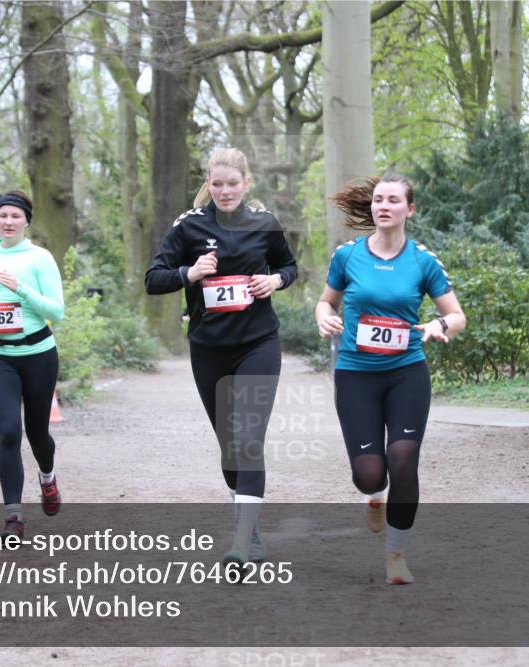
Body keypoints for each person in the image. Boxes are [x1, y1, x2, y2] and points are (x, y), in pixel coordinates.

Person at [145, 147, 298, 566]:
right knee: (231, 446)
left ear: (246, 184)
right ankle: (247, 520)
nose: (225, 191)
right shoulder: (188, 227)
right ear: (208, 184)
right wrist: (189, 274)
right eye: (218, 184)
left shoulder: (265, 224)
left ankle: (244, 540)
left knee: (248, 440)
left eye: (233, 184)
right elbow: (153, 279)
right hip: (209, 349)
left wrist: (275, 281)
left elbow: (289, 266)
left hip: (258, 344)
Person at [315, 175, 466, 585]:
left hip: (406, 373)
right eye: (378, 199)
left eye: (393, 200)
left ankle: (396, 554)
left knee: (402, 459)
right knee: (369, 473)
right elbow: (326, 301)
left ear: (409, 210)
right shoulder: (347, 257)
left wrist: (439, 326)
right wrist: (324, 317)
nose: (383, 205)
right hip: (355, 375)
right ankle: (374, 495)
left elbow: (457, 315)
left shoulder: (423, 260)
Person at [0, 190, 65, 539]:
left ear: (26, 222)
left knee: (38, 433)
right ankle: (13, 516)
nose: (8, 222)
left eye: (15, 216)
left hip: (38, 355)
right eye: (3, 216)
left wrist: (22, 288)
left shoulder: (40, 258)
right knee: (9, 431)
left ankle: (48, 477)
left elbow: (57, 311)